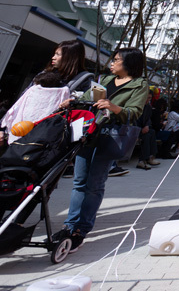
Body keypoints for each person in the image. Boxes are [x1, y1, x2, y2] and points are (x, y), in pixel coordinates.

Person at [56, 47, 150, 252]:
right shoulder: (105, 80)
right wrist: (73, 101)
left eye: (116, 60)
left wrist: (113, 107)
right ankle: (69, 225)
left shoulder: (140, 85)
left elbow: (134, 113)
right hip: (88, 133)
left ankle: (81, 229)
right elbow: (86, 99)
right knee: (79, 182)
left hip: (110, 137)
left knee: (94, 185)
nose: (112, 63)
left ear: (129, 64)